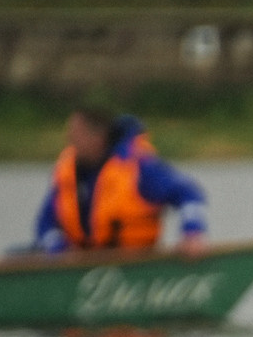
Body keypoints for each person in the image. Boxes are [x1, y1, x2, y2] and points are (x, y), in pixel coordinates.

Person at [32, 107, 206, 255]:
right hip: (81, 265)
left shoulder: (138, 168)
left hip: (133, 262)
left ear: (97, 138)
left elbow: (188, 193)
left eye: (76, 136)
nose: (69, 141)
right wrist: (57, 247)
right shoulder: (68, 174)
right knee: (22, 252)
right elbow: (45, 223)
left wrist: (192, 233)